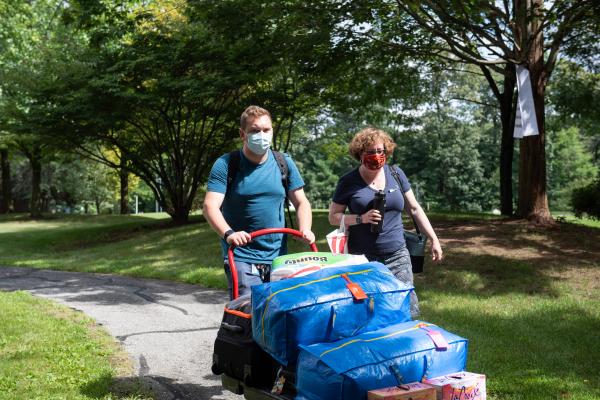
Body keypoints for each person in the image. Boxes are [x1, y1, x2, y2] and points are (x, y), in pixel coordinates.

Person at [328, 127, 442, 317]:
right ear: (360, 154)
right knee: (368, 312)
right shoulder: (348, 181)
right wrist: (361, 218)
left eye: (380, 151)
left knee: (405, 310)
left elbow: (414, 208)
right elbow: (333, 217)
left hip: (397, 255)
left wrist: (434, 239)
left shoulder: (396, 174)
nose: (376, 156)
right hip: (362, 259)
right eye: (370, 152)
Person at [203, 105, 315, 299]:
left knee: (280, 313)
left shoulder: (283, 163)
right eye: (254, 130)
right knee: (250, 310)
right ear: (242, 134)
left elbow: (301, 202)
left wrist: (305, 229)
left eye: (266, 130)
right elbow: (210, 206)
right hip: (241, 255)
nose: (261, 135)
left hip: (279, 257)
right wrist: (229, 234)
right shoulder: (227, 164)